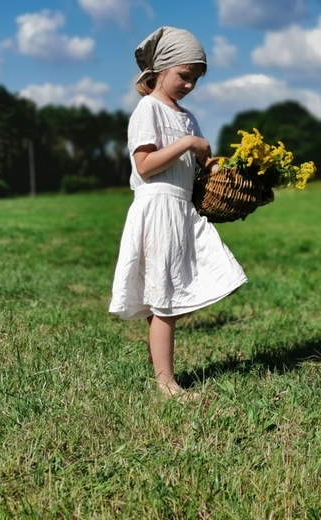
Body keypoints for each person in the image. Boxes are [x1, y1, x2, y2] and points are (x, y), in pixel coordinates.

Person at [109, 26, 247, 398]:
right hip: (158, 206)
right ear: (161, 69)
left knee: (197, 282)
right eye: (184, 76)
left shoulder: (188, 118)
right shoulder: (148, 109)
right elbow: (145, 165)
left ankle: (161, 352)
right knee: (167, 299)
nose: (189, 85)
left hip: (183, 210)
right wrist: (187, 143)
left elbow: (200, 168)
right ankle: (167, 383)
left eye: (195, 79)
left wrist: (226, 171)